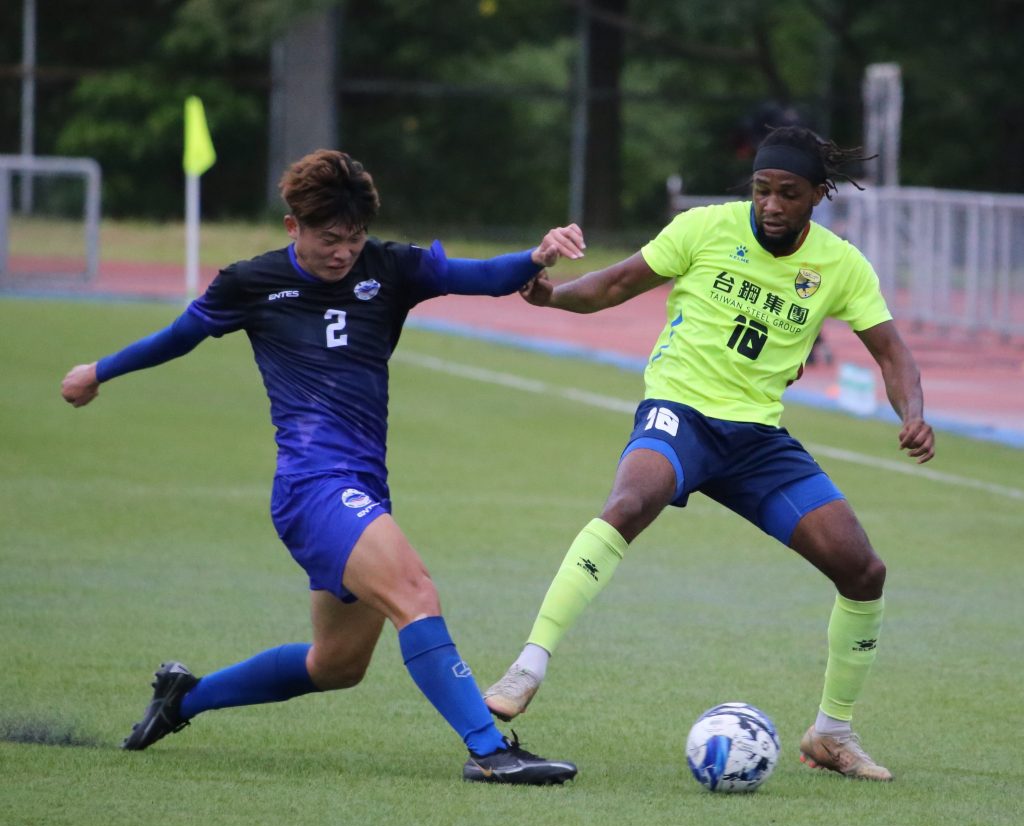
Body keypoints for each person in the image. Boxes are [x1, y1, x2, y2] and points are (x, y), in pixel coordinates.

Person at [61, 149, 587, 785]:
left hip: (362, 488)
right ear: (293, 227)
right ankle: (490, 750)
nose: (344, 252)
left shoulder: (388, 267)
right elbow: (178, 336)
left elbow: (478, 274)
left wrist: (536, 257)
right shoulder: (250, 283)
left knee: (336, 665)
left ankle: (184, 697)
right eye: (329, 238)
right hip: (313, 488)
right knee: (415, 593)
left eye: (354, 237)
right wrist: (98, 372)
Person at [484, 126, 935, 782]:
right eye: (762, 189)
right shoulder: (706, 228)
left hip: (756, 441)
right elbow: (615, 285)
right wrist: (552, 294)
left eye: (788, 193)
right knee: (630, 501)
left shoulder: (841, 265)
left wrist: (914, 414)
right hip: (681, 412)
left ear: (816, 196)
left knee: (863, 571)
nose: (771, 204)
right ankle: (528, 665)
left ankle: (831, 732)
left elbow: (891, 352)